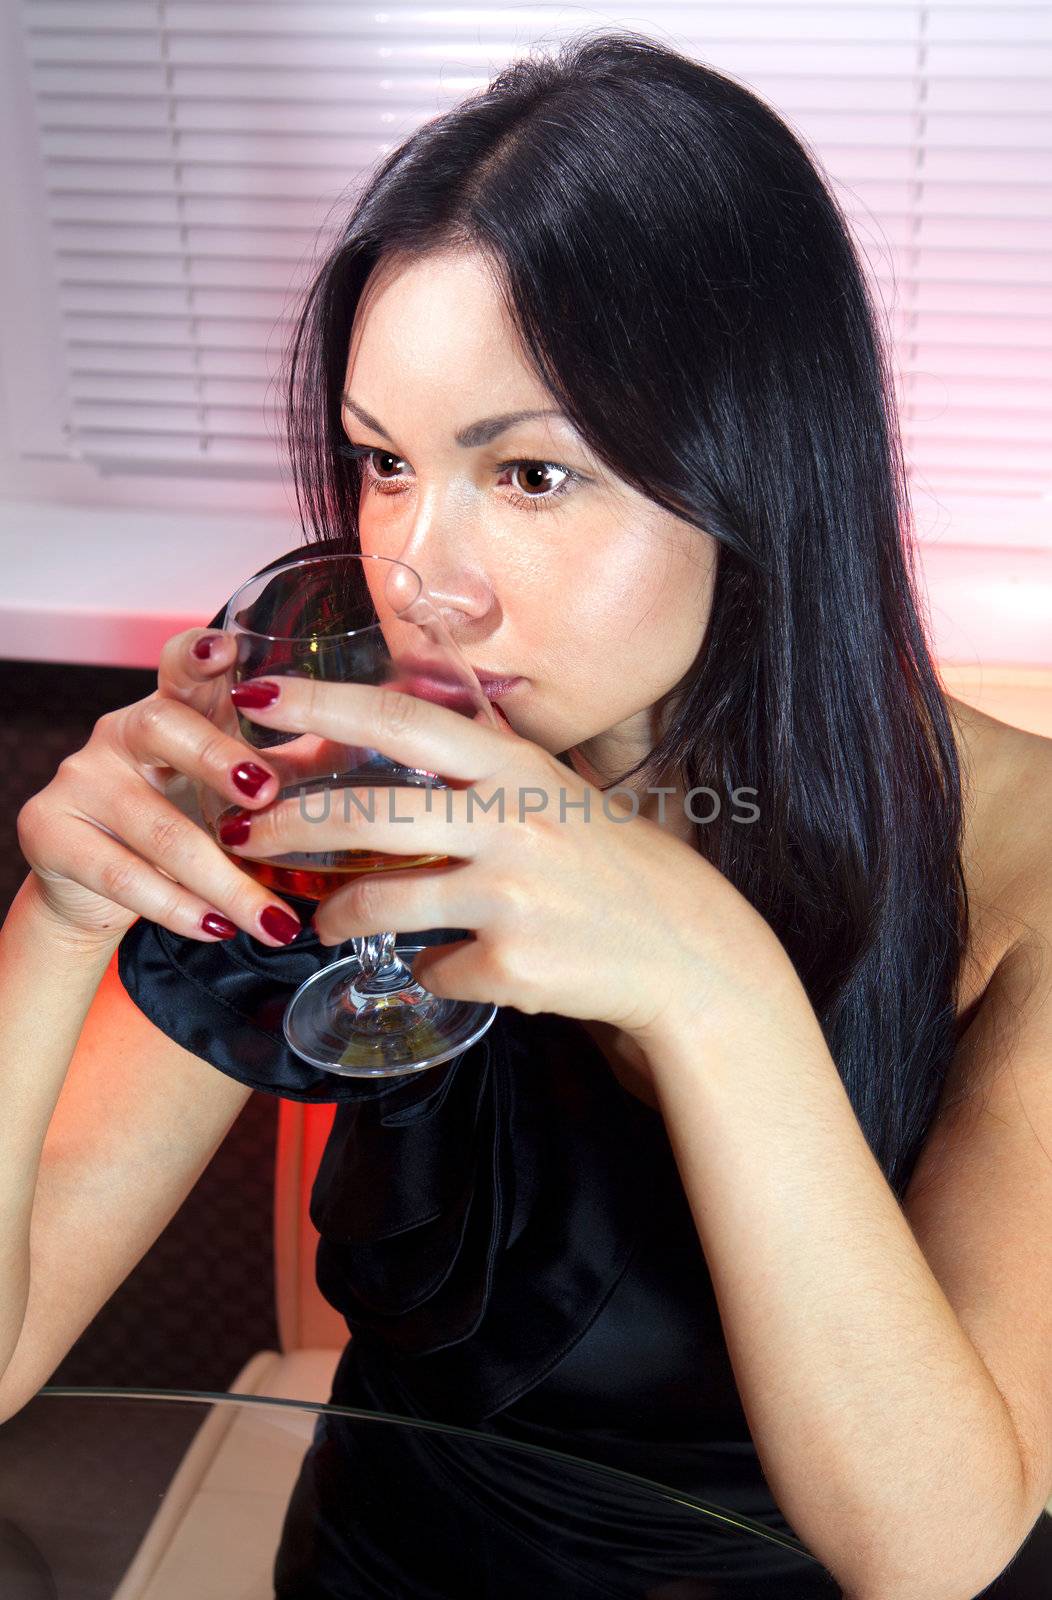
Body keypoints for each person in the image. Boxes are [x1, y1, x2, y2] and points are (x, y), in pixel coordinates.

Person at [2, 29, 1051, 1600]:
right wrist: (61, 921)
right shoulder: (341, 786)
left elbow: (935, 1550)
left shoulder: (1024, 870)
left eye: (532, 478)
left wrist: (711, 984)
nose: (420, 579)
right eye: (383, 462)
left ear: (754, 470)